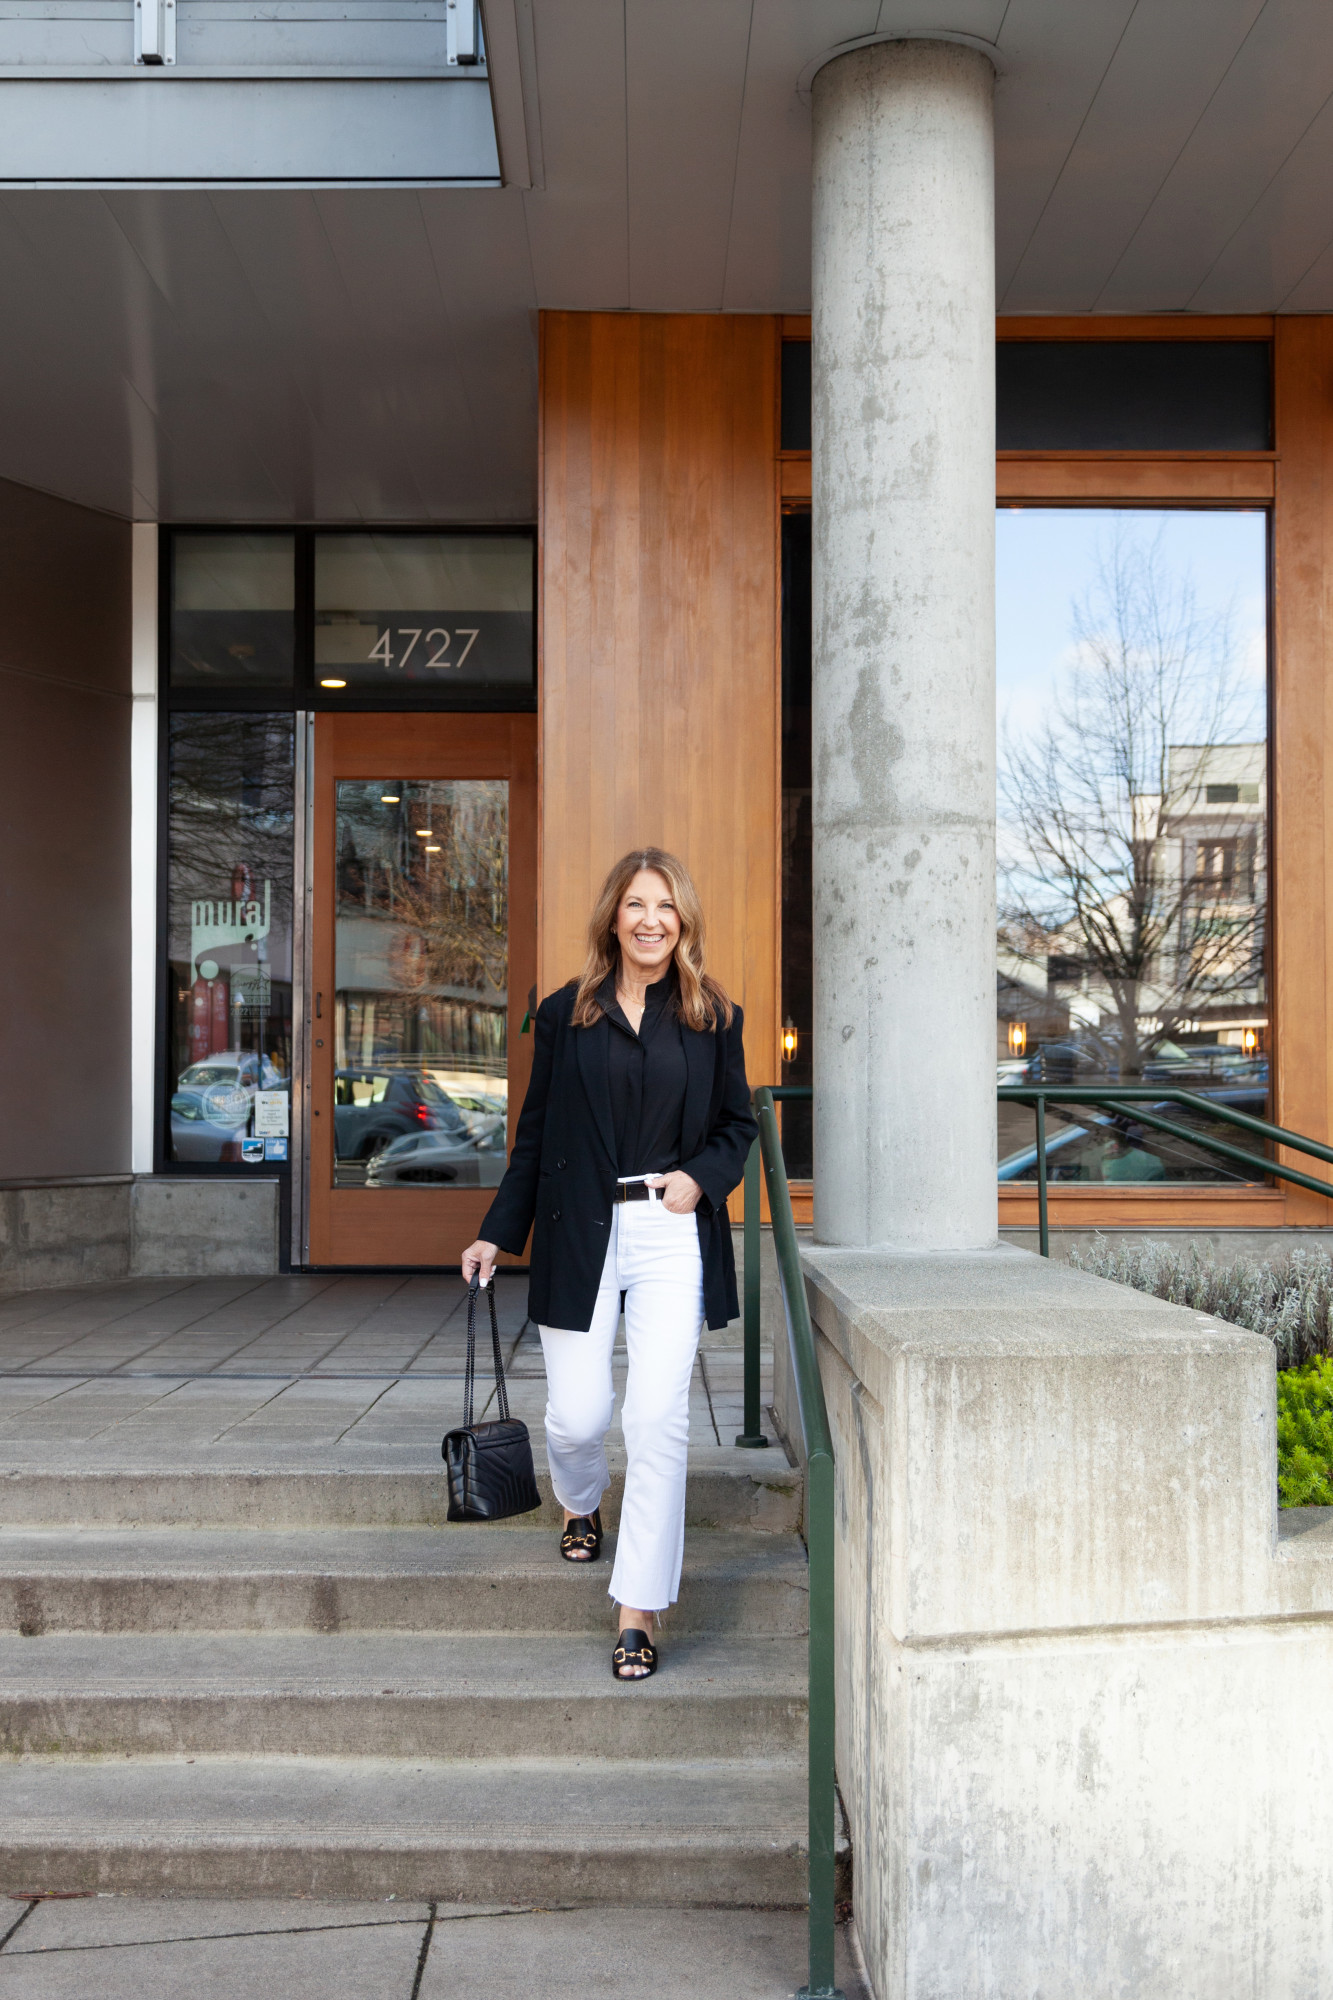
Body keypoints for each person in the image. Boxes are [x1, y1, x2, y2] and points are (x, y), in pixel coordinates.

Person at [461, 847, 757, 1682]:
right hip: (574, 1228)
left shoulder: (712, 1017)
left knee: (657, 1418)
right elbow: (535, 1133)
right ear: (613, 918)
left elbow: (738, 1126)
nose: (650, 920)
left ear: (683, 920)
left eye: (664, 906)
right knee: (579, 1418)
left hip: (668, 1230)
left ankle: (637, 1608)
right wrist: (495, 1231)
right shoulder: (566, 1013)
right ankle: (580, 1503)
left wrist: (699, 1181)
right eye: (635, 905)